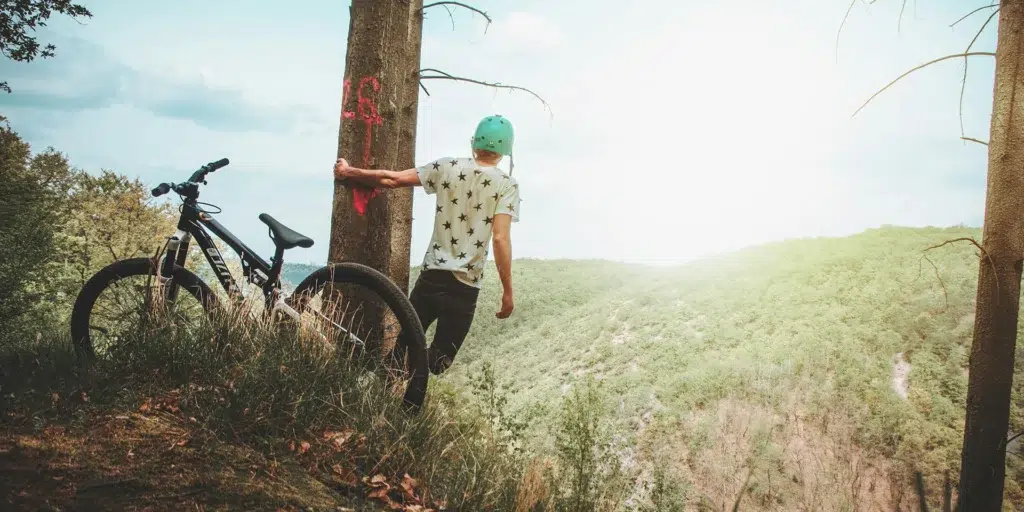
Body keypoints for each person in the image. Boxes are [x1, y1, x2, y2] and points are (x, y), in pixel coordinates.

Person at [332, 114, 521, 375]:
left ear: (474, 143)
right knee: (439, 362)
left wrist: (348, 172)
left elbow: (392, 179)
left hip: (432, 277)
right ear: (505, 152)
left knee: (402, 353)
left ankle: (378, 392)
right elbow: (500, 238)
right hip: (465, 287)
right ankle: (398, 403)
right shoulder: (507, 185)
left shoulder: (447, 167)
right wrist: (507, 291)